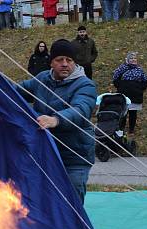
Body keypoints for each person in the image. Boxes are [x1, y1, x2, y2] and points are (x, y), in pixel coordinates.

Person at [17, 39, 97, 203]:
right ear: (51, 62)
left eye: (69, 60)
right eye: (59, 60)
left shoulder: (85, 85)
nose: (65, 64)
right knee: (40, 197)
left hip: (75, 155)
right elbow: (15, 92)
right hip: (45, 151)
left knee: (72, 196)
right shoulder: (42, 79)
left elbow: (81, 110)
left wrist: (56, 120)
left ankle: (75, 227)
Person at [112, 52, 147, 136]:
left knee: (133, 113)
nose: (133, 60)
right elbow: (115, 78)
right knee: (123, 113)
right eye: (131, 58)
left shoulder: (140, 70)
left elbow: (145, 81)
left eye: (135, 58)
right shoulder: (122, 68)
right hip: (124, 94)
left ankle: (131, 130)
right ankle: (121, 129)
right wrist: (121, 86)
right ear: (128, 60)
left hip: (135, 95)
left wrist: (140, 88)